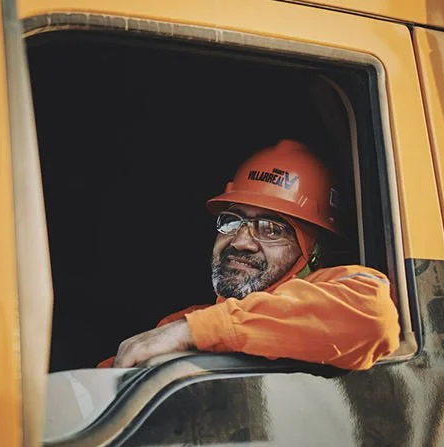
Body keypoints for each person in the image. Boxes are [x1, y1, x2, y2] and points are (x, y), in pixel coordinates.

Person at [109, 140, 400, 370]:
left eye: (272, 229)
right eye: (232, 220)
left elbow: (373, 316)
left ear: (314, 250)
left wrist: (196, 333)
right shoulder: (182, 323)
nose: (241, 241)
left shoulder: (191, 329)